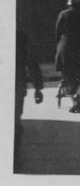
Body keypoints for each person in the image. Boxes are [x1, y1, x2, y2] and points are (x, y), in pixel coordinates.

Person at [55, 0, 80, 113]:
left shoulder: (63, 14)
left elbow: (57, 33)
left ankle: (75, 102)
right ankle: (78, 93)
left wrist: (59, 46)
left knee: (67, 76)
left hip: (65, 47)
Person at [15, 29, 44, 169]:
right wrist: (38, 87)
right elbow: (31, 61)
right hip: (16, 85)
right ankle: (14, 157)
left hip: (16, 85)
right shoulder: (19, 34)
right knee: (14, 122)